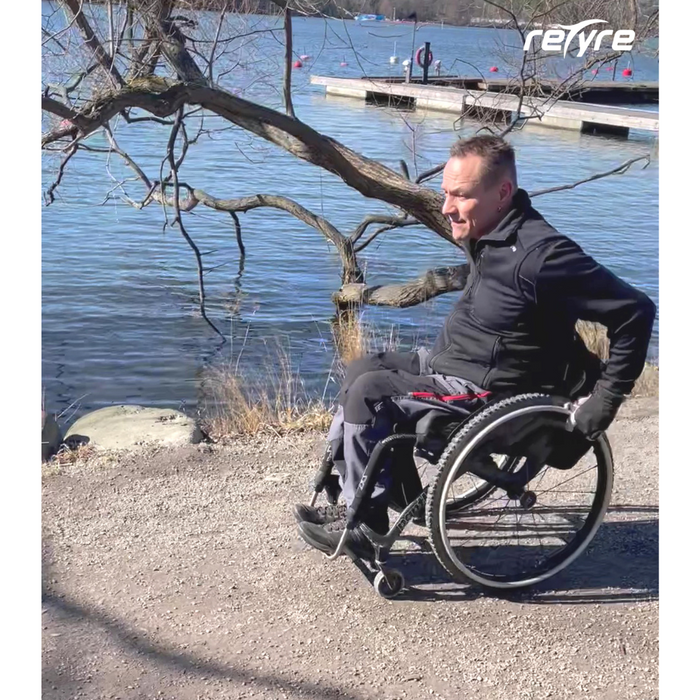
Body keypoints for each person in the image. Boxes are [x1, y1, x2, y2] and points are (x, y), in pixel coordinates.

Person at [295, 134, 656, 559]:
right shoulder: (485, 231)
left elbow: (636, 312)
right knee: (360, 369)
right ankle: (378, 488)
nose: (447, 207)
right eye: (446, 193)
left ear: (503, 193)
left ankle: (367, 524)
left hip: (487, 390)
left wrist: (606, 400)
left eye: (461, 196)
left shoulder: (542, 256)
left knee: (369, 393)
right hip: (452, 363)